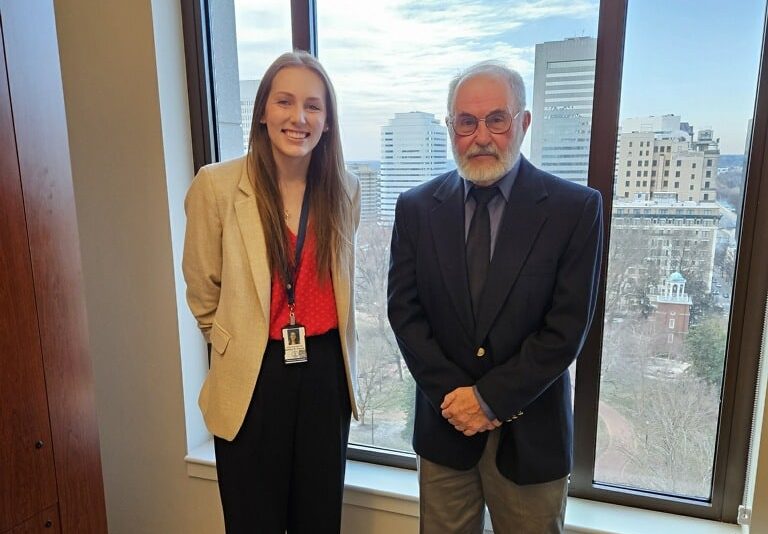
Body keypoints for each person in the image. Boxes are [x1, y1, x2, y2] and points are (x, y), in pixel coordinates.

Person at [387, 61, 603, 533]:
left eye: (496, 119)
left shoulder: (575, 209)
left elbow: (566, 330)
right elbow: (405, 313)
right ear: (450, 128)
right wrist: (456, 399)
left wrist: (487, 400)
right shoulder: (416, 209)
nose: (480, 136)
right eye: (466, 122)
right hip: (445, 433)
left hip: (532, 441)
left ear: (523, 123)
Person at [183, 51, 360, 534]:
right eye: (285, 101)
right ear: (263, 111)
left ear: (328, 120)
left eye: (313, 106)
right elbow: (202, 290)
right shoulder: (216, 186)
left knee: (319, 520)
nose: (298, 117)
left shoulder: (344, 188)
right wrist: (236, 343)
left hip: (324, 374)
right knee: (252, 521)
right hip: (252, 375)